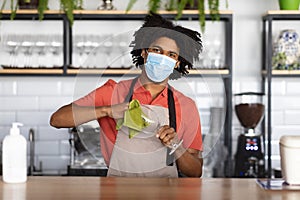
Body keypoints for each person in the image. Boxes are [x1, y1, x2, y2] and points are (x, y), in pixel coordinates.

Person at [50, 12, 203, 178]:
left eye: (171, 55)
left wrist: (176, 146)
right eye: (157, 50)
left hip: (165, 193)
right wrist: (106, 111)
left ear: (177, 63)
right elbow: (57, 119)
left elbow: (195, 171)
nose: (162, 59)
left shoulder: (187, 105)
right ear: (144, 52)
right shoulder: (112, 91)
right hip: (117, 191)